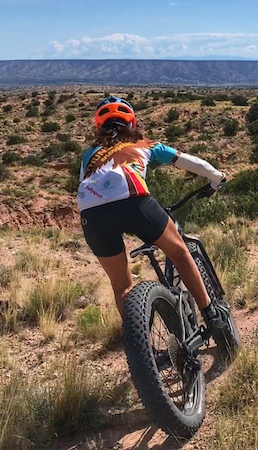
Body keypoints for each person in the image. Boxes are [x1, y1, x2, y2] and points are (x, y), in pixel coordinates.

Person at [77, 95, 227, 329]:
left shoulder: (90, 155)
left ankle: (140, 342)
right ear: (132, 124)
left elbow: (84, 182)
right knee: (179, 252)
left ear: (99, 127)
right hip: (133, 200)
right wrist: (216, 177)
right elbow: (192, 162)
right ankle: (211, 314)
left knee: (121, 286)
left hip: (91, 212)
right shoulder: (146, 145)